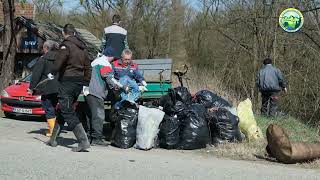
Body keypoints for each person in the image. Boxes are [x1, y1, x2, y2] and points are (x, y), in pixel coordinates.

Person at [47, 24, 92, 152]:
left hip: (67, 82)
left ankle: (83, 141)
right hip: (79, 83)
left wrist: (53, 71)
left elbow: (60, 60)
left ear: (63, 32)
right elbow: (88, 67)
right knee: (63, 109)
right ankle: (53, 139)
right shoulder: (83, 48)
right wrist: (86, 83)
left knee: (67, 111)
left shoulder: (65, 45)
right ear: (75, 33)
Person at [85, 47, 122, 146]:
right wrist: (119, 86)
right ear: (111, 56)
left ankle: (89, 137)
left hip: (88, 91)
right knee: (98, 116)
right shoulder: (105, 64)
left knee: (90, 116)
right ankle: (97, 139)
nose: (114, 60)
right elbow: (109, 78)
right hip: (96, 92)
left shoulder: (94, 62)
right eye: (114, 58)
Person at [29, 40, 59, 137]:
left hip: (46, 88)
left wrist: (32, 88)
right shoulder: (61, 58)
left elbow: (36, 75)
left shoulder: (43, 59)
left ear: (46, 48)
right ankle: (55, 128)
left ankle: (53, 131)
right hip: (59, 87)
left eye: (43, 48)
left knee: (48, 107)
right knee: (54, 108)